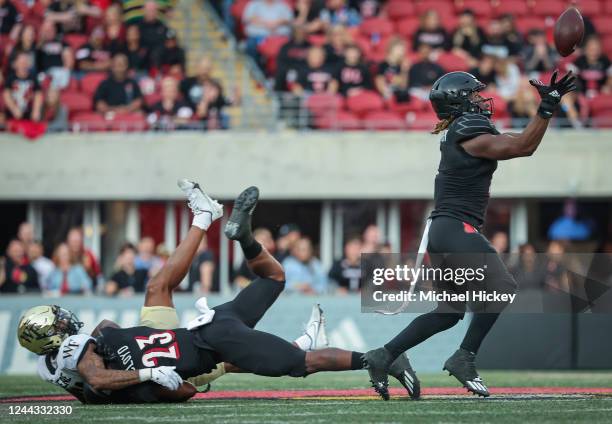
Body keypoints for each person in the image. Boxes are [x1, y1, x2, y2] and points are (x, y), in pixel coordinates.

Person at [17, 181, 418, 403]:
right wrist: (148, 371)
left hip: (211, 339)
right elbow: (99, 373)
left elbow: (105, 379)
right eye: (59, 322)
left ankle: (374, 358)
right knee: (273, 283)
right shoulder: (98, 349)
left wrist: (150, 374)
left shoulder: (96, 361)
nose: (68, 322)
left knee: (303, 361)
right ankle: (242, 240)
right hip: (208, 332)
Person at [363, 69, 576, 400]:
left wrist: (544, 108)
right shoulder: (468, 131)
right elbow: (523, 146)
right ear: (460, 102)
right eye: (474, 94)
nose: (480, 99)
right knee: (502, 286)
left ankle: (384, 355)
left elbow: (515, 141)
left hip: (443, 230)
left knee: (449, 312)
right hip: (453, 228)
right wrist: (547, 107)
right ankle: (465, 356)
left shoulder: (459, 132)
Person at [2, 51, 43, 122]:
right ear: (15, 64)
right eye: (21, 63)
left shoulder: (33, 77)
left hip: (29, 113)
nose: (24, 65)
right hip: (13, 113)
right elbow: (6, 94)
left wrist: (36, 110)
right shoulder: (10, 78)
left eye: (26, 63)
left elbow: (38, 94)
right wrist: (13, 108)